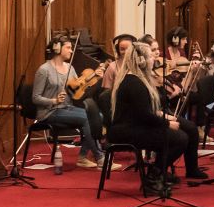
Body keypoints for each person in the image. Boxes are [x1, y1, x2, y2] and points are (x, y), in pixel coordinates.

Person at [109, 41, 204, 190]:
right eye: (150, 56)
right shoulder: (134, 83)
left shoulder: (136, 79)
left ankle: (159, 172)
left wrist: (164, 117)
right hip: (126, 131)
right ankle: (153, 176)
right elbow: (144, 116)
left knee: (179, 134)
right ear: (141, 61)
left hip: (133, 126)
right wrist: (166, 123)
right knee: (180, 138)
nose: (154, 59)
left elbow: (144, 111)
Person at [32, 36, 107, 169]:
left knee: (97, 116)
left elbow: (75, 93)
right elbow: (35, 98)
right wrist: (53, 100)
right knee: (86, 118)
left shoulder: (70, 67)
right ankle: (100, 157)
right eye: (68, 47)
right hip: (49, 112)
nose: (71, 51)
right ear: (57, 48)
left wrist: (94, 78)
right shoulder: (44, 70)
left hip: (66, 108)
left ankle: (83, 157)